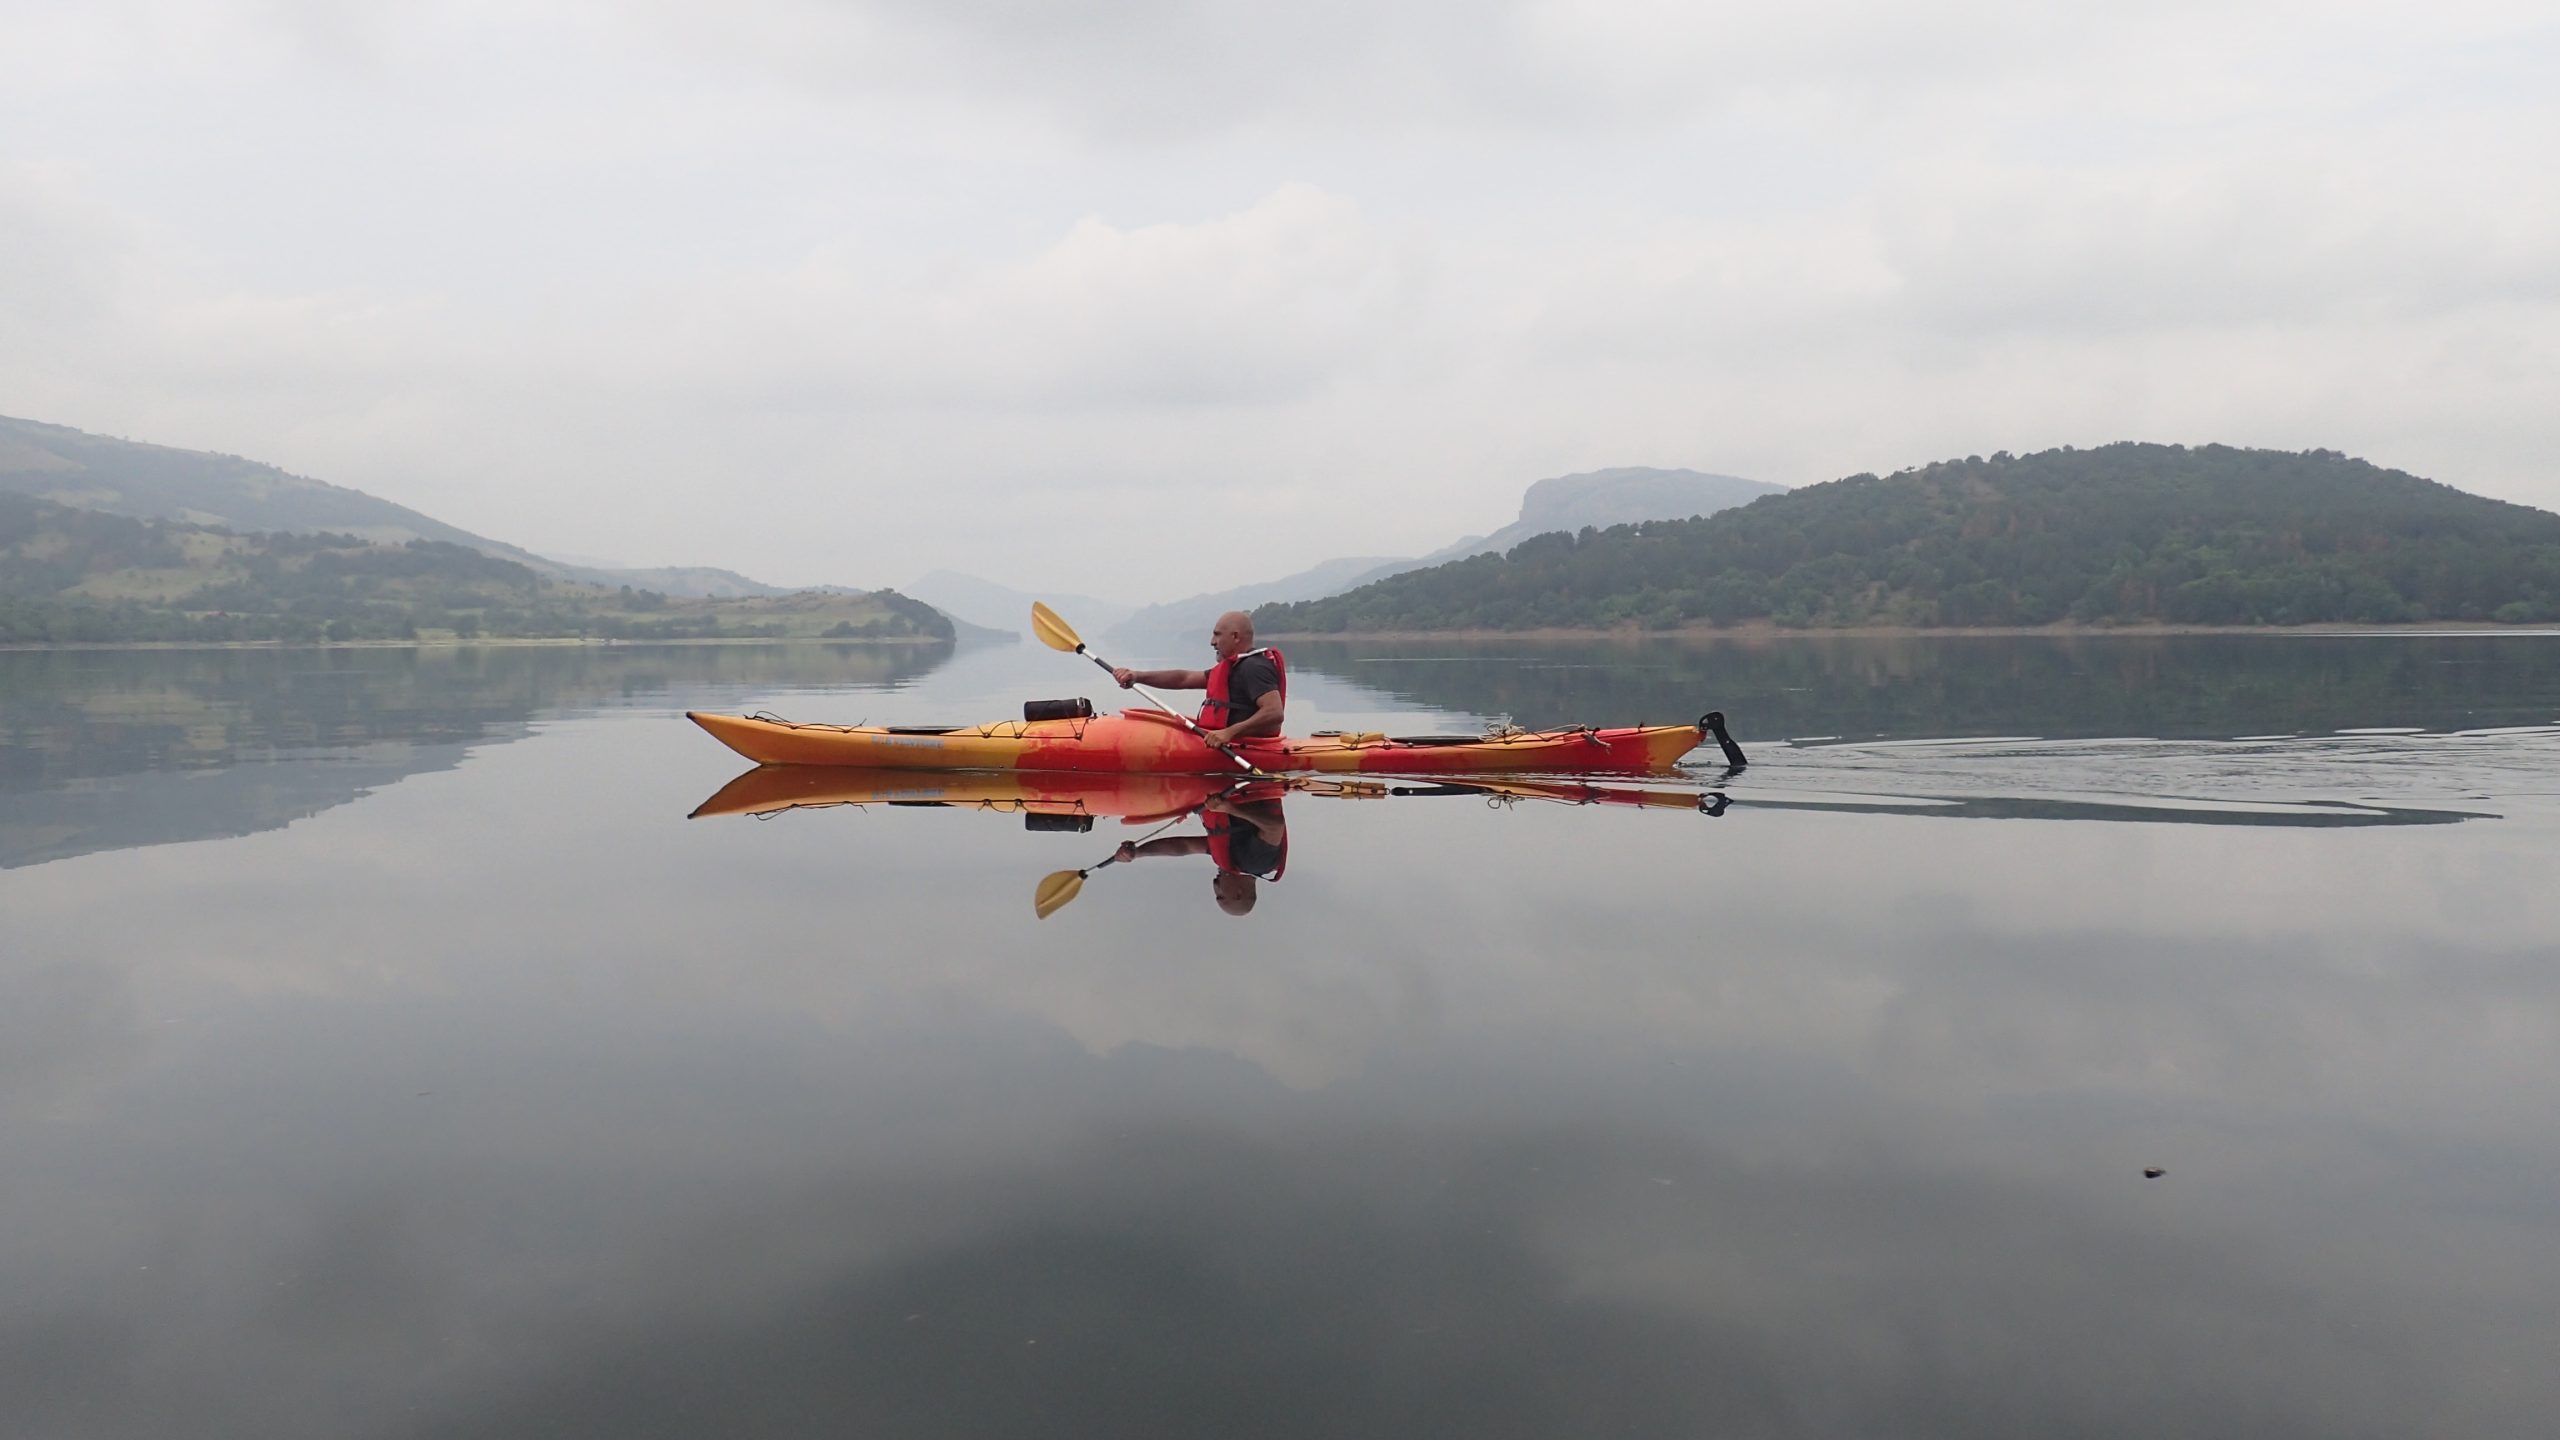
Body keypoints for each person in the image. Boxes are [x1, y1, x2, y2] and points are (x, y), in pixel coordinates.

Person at [1110, 610, 1285, 749]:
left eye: (1217, 635)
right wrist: (1137, 676)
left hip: (1249, 748)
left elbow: (1274, 713)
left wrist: (1228, 733)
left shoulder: (1254, 667)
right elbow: (1183, 679)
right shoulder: (1234, 667)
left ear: (1235, 637)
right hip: (1225, 741)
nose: (1212, 642)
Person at [1113, 785, 1289, 916]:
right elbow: (1275, 827)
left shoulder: (1232, 861)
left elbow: (1185, 846)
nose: (1215, 888)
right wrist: (1230, 808)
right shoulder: (1257, 863)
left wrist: (1138, 852)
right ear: (1238, 894)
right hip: (1244, 787)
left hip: (1219, 790)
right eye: (1220, 896)